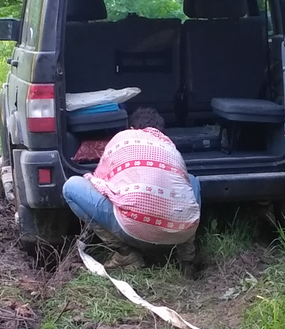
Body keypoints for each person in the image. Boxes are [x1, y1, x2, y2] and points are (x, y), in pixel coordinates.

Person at [63, 108, 201, 278]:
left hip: (133, 230)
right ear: (161, 130)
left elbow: (101, 182)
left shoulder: (123, 138)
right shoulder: (171, 148)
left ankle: (126, 254)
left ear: (131, 127)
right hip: (178, 233)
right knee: (192, 181)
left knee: (71, 187)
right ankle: (187, 259)